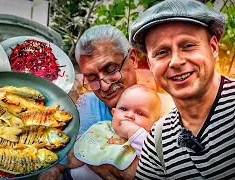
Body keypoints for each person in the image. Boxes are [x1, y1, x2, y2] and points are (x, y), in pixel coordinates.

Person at [129, 0, 235, 179]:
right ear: (150, 64)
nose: (176, 61)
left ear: (213, 47)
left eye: (188, 45)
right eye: (162, 52)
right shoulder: (157, 143)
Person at [69, 84, 161, 180]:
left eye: (140, 113)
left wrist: (134, 132)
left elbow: (151, 156)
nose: (129, 115)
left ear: (155, 123)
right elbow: (76, 154)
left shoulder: (148, 139)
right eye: (124, 109)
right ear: (114, 113)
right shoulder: (102, 128)